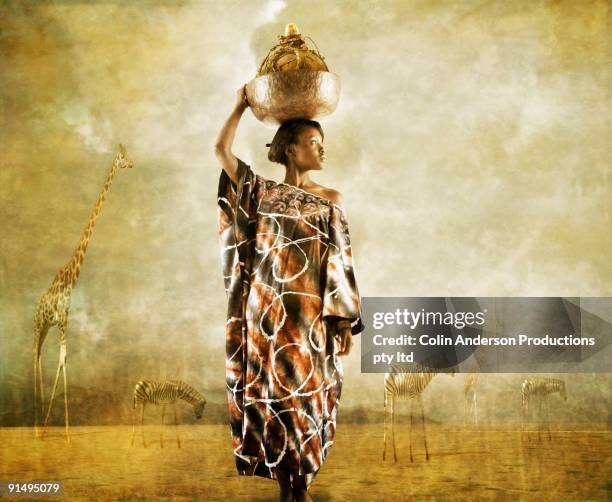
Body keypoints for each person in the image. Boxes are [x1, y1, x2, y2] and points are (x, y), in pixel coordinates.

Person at [215, 85, 364, 502]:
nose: (321, 150)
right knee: (276, 399)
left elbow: (339, 259)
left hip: (310, 317)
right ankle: (288, 488)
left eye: (323, 143)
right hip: (266, 317)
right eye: (313, 143)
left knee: (309, 398)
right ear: (291, 150)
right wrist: (240, 104)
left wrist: (342, 319)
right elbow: (220, 149)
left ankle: (303, 483)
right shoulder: (261, 194)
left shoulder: (330, 200)